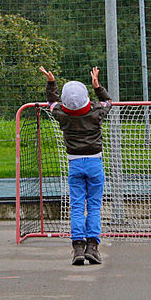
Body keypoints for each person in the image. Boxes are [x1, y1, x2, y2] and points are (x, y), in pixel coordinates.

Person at [39, 65, 113, 266]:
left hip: (74, 164)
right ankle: (93, 247)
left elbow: (52, 102)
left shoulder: (62, 115)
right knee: (95, 206)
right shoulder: (97, 112)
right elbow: (108, 102)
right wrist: (97, 86)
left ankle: (78, 247)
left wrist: (51, 82)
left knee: (78, 206)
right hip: (95, 163)